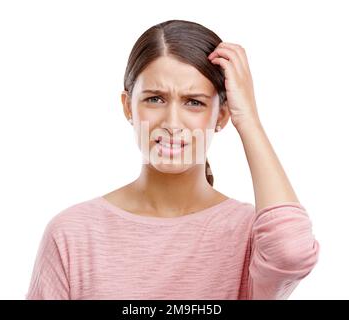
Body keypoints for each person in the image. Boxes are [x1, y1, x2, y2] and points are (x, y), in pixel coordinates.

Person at [25, 19, 320, 300]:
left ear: (222, 115)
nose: (172, 122)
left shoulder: (249, 234)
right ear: (128, 107)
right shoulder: (72, 234)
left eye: (194, 103)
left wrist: (249, 120)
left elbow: (291, 252)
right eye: (155, 99)